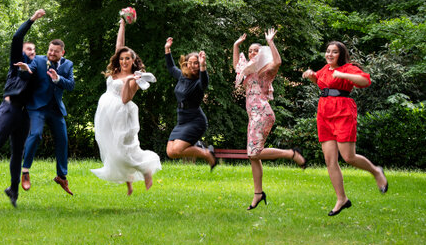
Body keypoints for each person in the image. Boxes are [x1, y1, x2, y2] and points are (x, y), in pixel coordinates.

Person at [302, 41, 388, 216]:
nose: (330, 54)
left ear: (341, 55)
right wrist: (311, 76)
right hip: (324, 113)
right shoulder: (325, 69)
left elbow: (365, 80)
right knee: (330, 160)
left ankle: (376, 171)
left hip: (343, 112)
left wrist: (343, 74)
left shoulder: (348, 68)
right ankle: (342, 199)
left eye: (334, 52)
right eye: (328, 51)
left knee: (349, 157)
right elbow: (320, 80)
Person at [0, 9, 45, 207]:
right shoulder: (16, 63)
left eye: (34, 50)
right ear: (22, 51)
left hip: (24, 115)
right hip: (9, 109)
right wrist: (32, 19)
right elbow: (17, 37)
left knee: (18, 152)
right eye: (28, 49)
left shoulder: (37, 70)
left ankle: (14, 189)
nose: (32, 52)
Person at [233, 29, 307, 210]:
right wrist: (236, 46)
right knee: (253, 156)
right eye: (250, 51)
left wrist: (270, 42)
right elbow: (236, 65)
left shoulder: (265, 70)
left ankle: (291, 154)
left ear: (262, 54)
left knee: (254, 153)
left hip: (262, 113)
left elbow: (278, 62)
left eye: (256, 50)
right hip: (253, 115)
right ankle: (258, 193)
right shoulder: (248, 70)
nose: (252, 53)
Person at [91, 11, 161, 195]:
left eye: (127, 59)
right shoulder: (115, 70)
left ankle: (145, 169)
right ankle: (128, 179)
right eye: (121, 58)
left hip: (121, 114)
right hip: (106, 112)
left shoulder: (136, 78)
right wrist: (122, 24)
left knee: (123, 148)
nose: (123, 61)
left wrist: (130, 80)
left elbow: (124, 99)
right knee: (111, 147)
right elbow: (119, 46)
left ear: (133, 60)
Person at [18, 37, 75, 195]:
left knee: (62, 140)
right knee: (36, 134)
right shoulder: (38, 60)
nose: (51, 53)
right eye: (50, 50)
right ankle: (25, 171)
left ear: (62, 52)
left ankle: (61, 177)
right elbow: (28, 73)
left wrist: (58, 79)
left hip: (56, 109)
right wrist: (24, 70)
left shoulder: (68, 65)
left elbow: (71, 85)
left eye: (56, 52)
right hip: (37, 107)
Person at [164, 37, 216, 169]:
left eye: (196, 63)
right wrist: (167, 49)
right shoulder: (182, 76)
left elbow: (204, 83)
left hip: (195, 120)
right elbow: (171, 67)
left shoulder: (198, 82)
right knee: (171, 152)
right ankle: (201, 148)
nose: (193, 65)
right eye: (190, 63)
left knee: (178, 150)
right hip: (182, 119)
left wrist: (203, 65)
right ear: (186, 64)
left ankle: (206, 153)